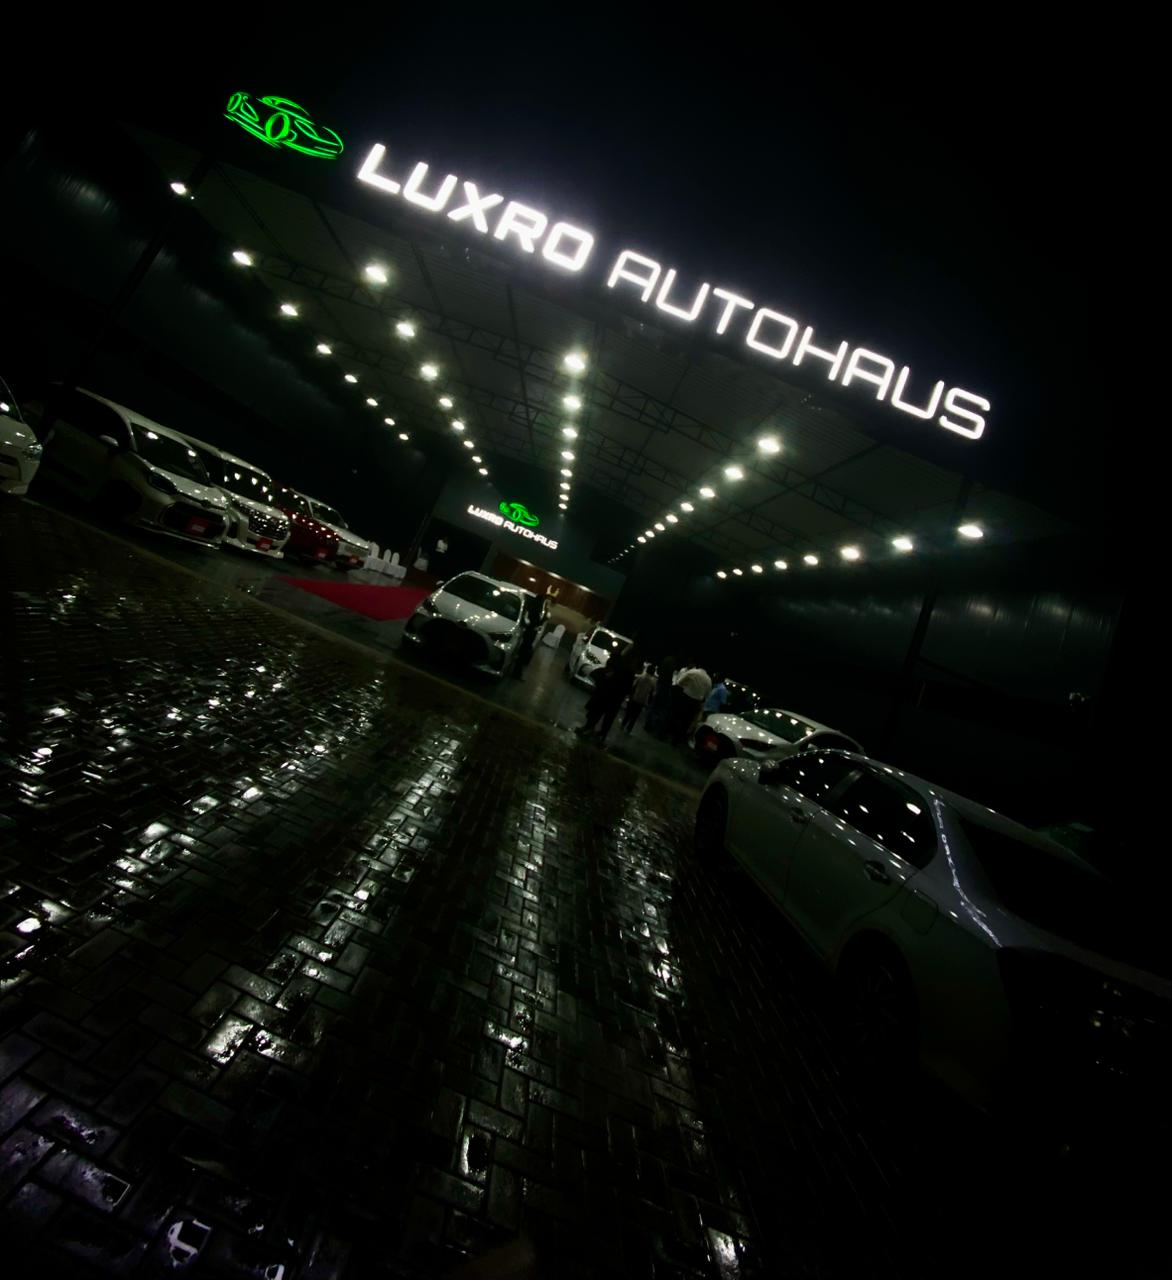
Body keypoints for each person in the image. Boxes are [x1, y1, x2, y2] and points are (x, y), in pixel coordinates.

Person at [576, 643, 640, 742]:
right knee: (604, 715)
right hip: (613, 694)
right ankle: (597, 733)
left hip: (609, 692)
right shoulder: (627, 667)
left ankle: (593, 730)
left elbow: (614, 676)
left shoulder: (624, 665)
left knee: (599, 712)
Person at [512, 589, 548, 679]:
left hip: (528, 631)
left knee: (522, 652)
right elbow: (537, 621)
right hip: (530, 632)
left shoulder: (532, 606)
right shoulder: (537, 609)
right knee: (523, 653)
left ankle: (516, 672)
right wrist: (545, 618)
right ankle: (516, 673)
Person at [672, 662, 712, 742]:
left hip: (686, 698)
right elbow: (707, 694)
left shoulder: (693, 672)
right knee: (688, 720)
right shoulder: (709, 680)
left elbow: (679, 682)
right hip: (696, 702)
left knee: (679, 716)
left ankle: (674, 735)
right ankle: (680, 738)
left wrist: (686, 686)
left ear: (699, 665)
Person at [646, 653, 676, 737]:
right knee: (661, 708)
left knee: (654, 705)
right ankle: (656, 727)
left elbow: (658, 671)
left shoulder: (666, 659)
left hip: (660, 683)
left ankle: (648, 724)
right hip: (665, 685)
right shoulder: (672, 662)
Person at [622, 663, 656, 734]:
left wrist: (629, 695)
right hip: (642, 701)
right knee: (635, 716)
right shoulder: (652, 682)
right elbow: (651, 694)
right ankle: (629, 729)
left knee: (628, 713)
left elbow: (633, 686)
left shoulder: (640, 677)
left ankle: (623, 725)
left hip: (634, 697)